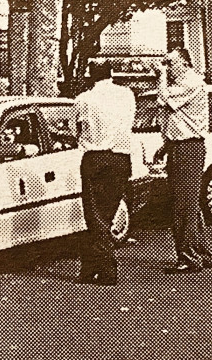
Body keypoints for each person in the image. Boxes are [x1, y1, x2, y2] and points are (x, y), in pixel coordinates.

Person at [72, 62, 136, 286]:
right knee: (106, 214)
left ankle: (106, 268)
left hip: (95, 157)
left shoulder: (84, 99)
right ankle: (89, 269)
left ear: (91, 76)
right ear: (111, 74)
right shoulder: (127, 95)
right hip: (121, 157)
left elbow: (76, 130)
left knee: (94, 215)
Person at [152, 47, 212, 274]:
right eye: (166, 63)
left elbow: (164, 100)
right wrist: (166, 146)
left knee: (183, 204)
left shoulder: (191, 83)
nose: (168, 67)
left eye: (171, 62)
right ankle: (199, 251)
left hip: (189, 147)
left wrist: (161, 76)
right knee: (188, 202)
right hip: (180, 145)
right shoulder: (183, 84)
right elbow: (177, 120)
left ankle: (188, 256)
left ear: (185, 63)